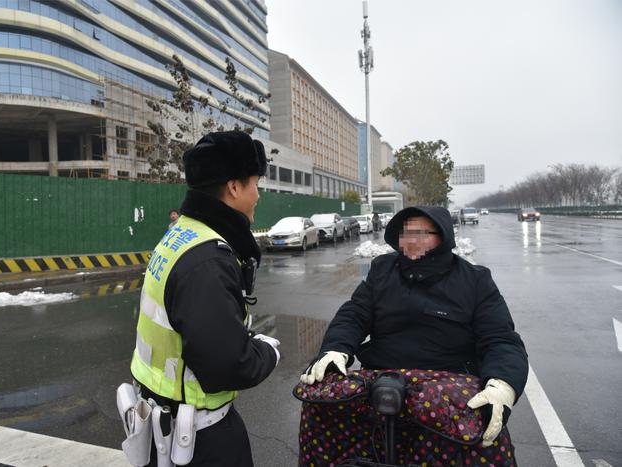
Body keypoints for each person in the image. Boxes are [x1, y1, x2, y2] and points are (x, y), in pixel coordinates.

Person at [300, 206, 528, 460]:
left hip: (448, 391)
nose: (409, 240)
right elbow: (354, 313)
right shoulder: (382, 270)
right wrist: (336, 349)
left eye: (420, 233)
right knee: (318, 406)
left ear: (442, 237)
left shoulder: (475, 281)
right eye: (405, 233)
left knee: (487, 444)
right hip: (381, 380)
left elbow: (500, 339)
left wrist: (502, 384)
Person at [129, 131, 280, 467]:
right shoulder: (208, 259)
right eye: (256, 184)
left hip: (165, 424)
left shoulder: (183, 232)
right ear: (234, 187)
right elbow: (228, 365)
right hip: (200, 440)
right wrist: (267, 352)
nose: (258, 195)